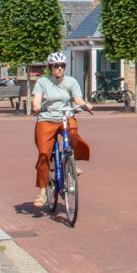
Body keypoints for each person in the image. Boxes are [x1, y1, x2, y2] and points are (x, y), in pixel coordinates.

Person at [31, 51, 92, 208]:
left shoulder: (71, 82)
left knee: (73, 134)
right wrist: (36, 106)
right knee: (44, 154)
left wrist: (85, 105)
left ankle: (71, 162)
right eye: (56, 66)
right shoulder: (42, 82)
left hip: (65, 115)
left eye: (62, 66)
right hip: (47, 118)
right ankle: (43, 193)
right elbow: (37, 97)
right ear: (50, 67)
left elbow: (77, 98)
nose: (59, 69)